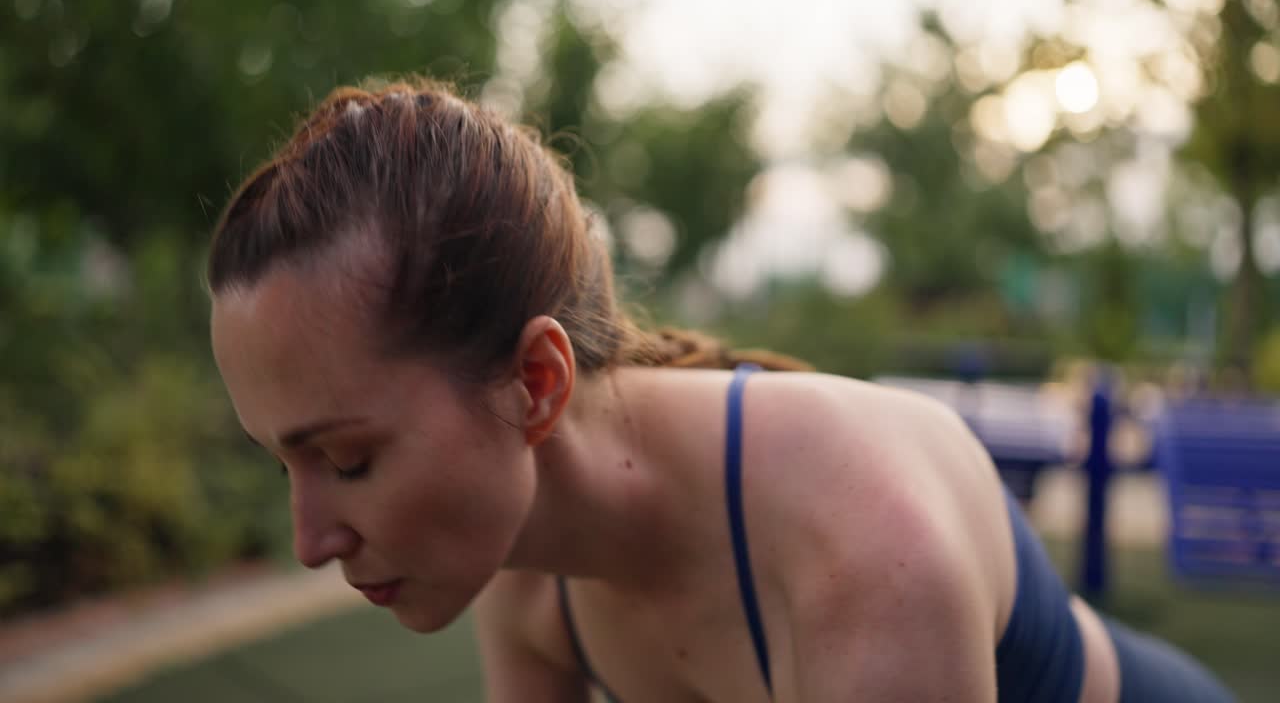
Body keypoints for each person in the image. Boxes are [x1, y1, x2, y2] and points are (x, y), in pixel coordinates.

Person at [207, 77, 1235, 702]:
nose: (309, 541)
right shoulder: (518, 567)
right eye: (287, 463)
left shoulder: (862, 555)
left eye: (347, 460)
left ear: (533, 383)